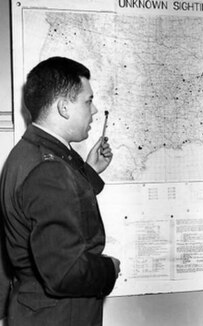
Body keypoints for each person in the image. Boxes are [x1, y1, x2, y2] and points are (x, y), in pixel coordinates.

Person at [0, 56, 120, 326]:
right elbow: (64, 273)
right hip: (59, 316)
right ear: (64, 107)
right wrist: (109, 269)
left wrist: (89, 172)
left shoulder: (25, 154)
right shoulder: (50, 171)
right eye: (88, 101)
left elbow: (46, 209)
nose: (95, 109)